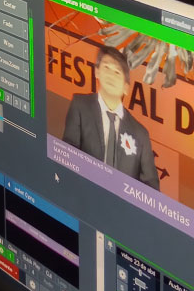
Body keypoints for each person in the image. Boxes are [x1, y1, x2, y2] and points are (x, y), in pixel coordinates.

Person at [62, 46, 159, 189]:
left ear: (126, 87)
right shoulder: (80, 106)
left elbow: (151, 187)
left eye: (117, 72)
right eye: (106, 67)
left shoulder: (140, 134)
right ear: (97, 71)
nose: (111, 75)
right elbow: (67, 157)